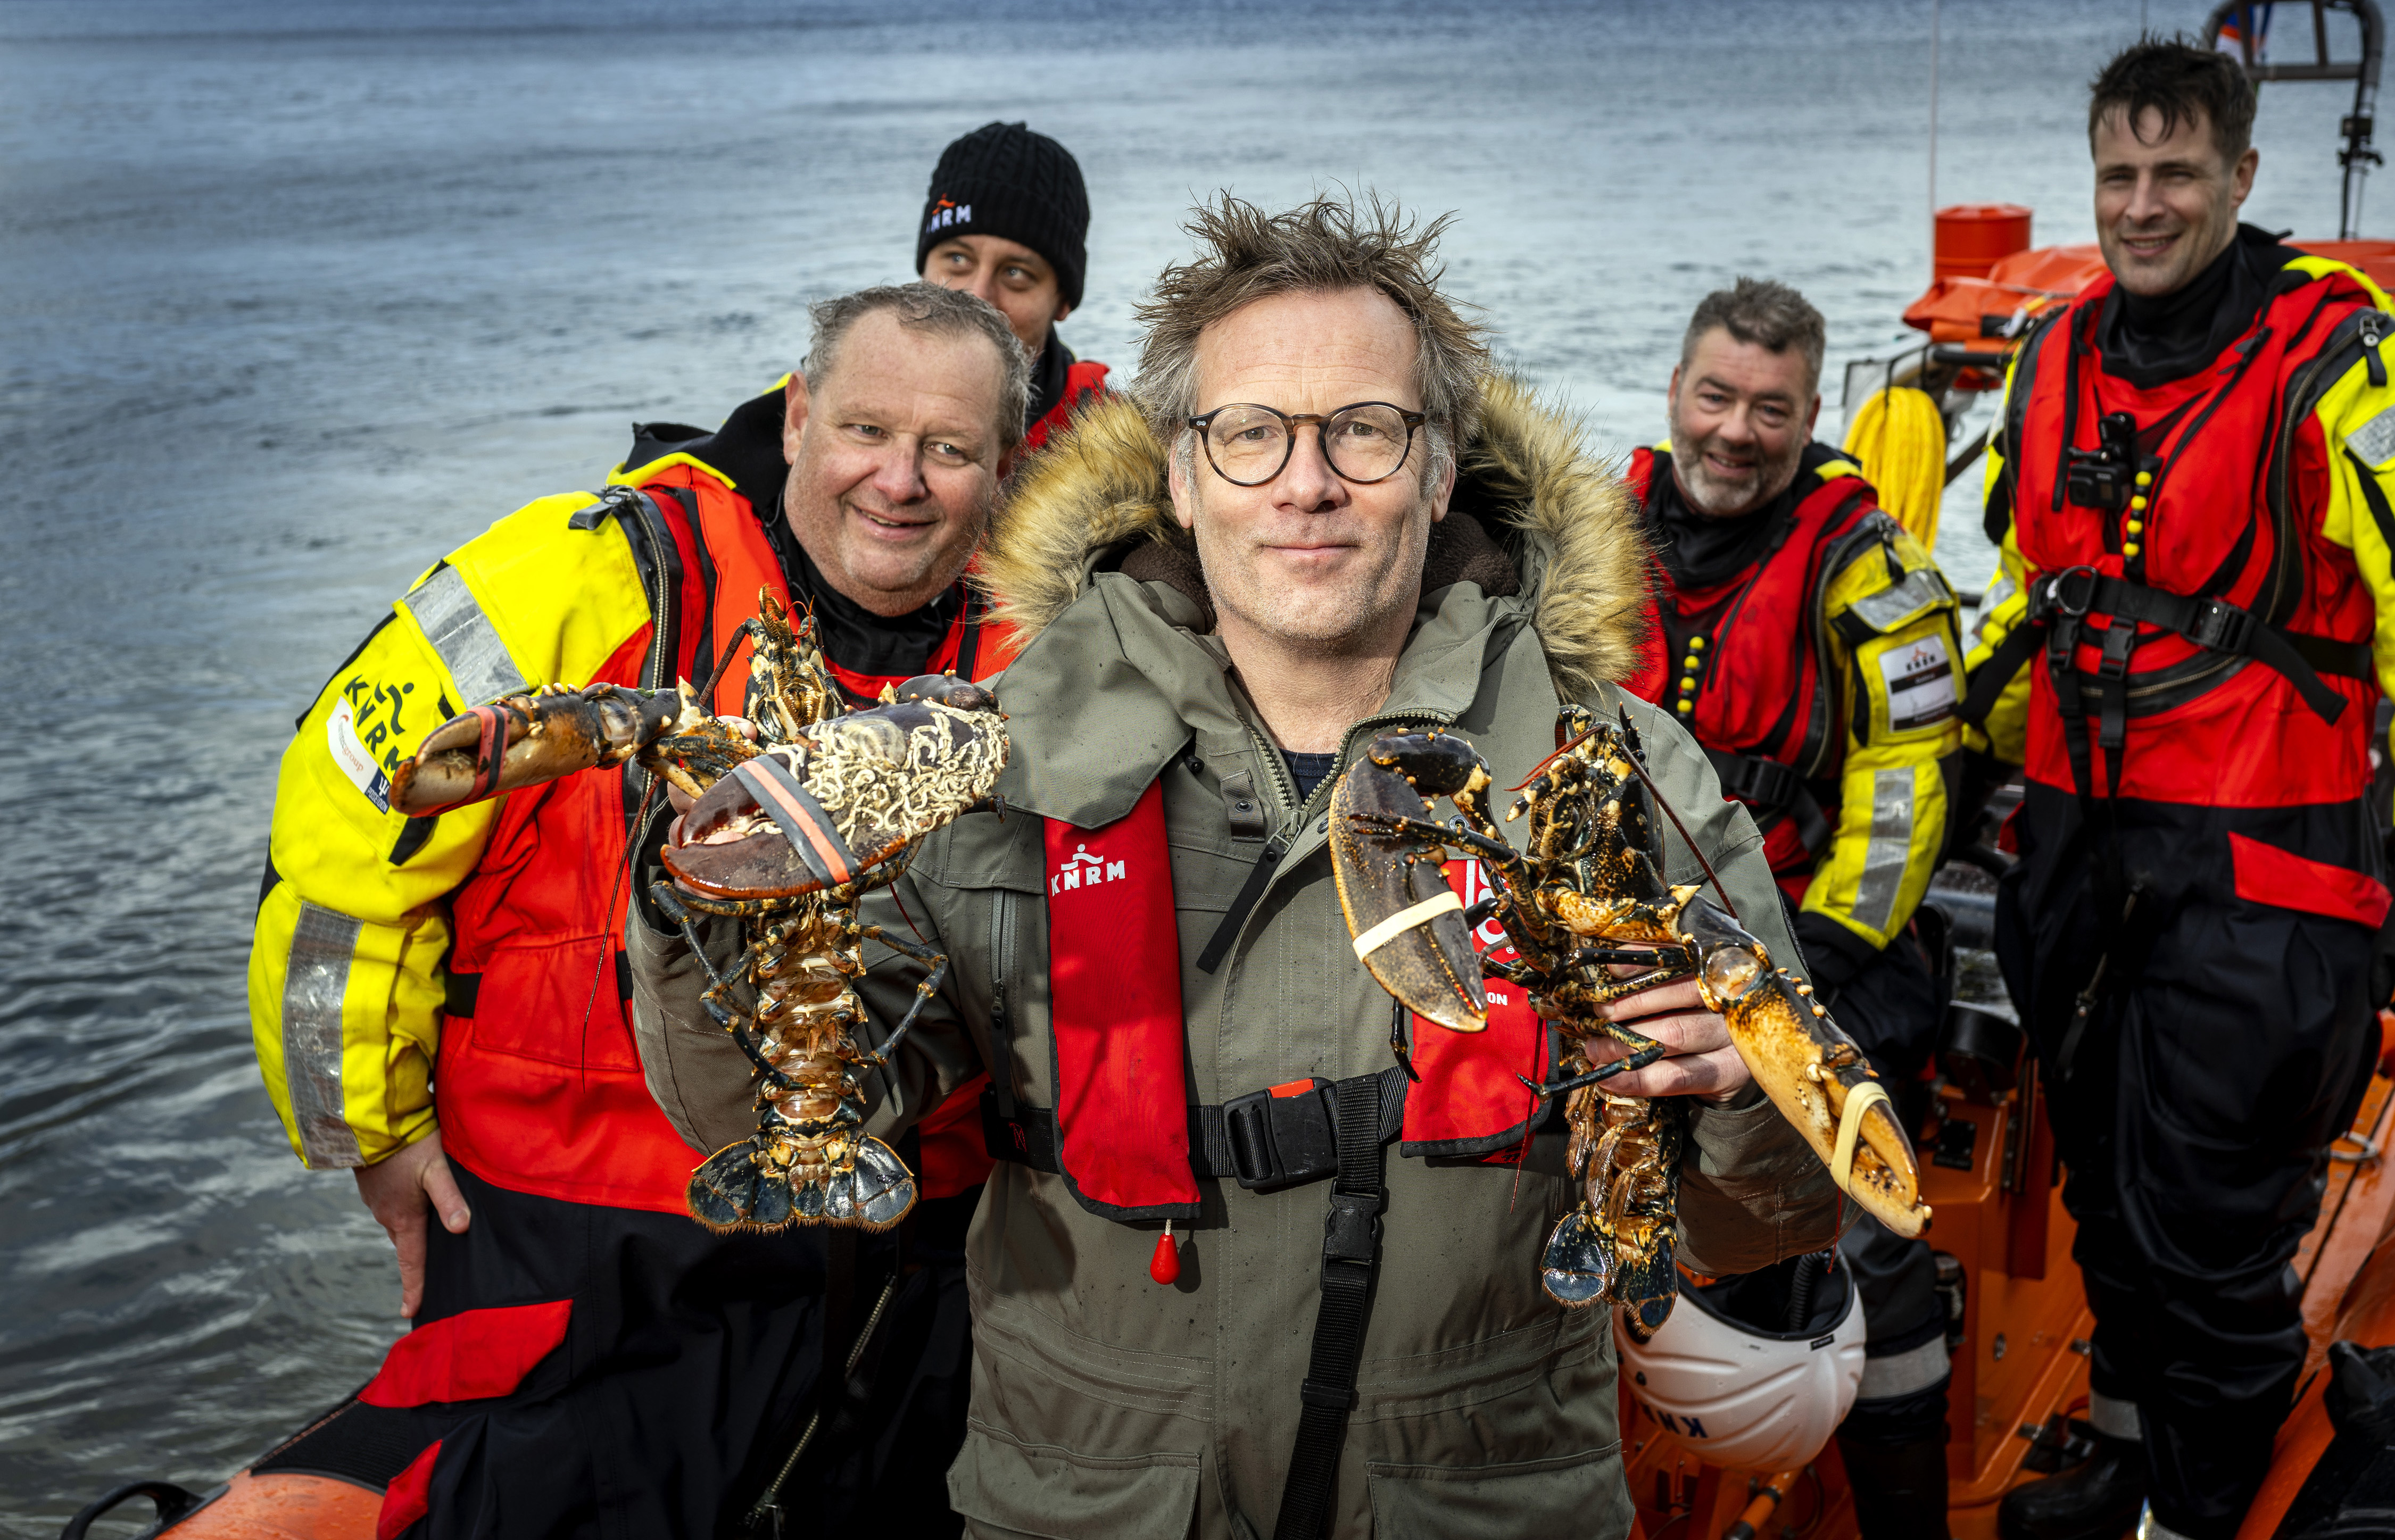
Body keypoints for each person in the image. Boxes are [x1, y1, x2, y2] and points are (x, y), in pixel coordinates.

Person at [631, 192, 1845, 1539]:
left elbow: (1765, 1223)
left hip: (1487, 1488)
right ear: (1182, 474)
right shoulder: (991, 761)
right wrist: (699, 899)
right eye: (1249, 434)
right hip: (1090, 1490)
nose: (1306, 483)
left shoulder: (1617, 768)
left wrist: (1738, 1083)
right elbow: (767, 1119)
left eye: (1365, 433)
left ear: (1441, 469)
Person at [246, 281, 1029, 1538]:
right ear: (794, 419)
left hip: (912, 1247)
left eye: (950, 450)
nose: (900, 480)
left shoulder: (1053, 641)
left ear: (1003, 470)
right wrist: (367, 1133)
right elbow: (342, 828)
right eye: (866, 432)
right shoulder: (575, 575)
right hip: (579, 1244)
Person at [1963, 41, 2395, 1540]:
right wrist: (1980, 738)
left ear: (2242, 179)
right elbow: (2050, 591)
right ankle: (2139, 1462)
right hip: (2084, 853)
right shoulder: (2051, 358)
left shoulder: (2357, 369)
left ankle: (2205, 1511)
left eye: (2175, 175)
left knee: (2214, 1233)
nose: (2142, 206)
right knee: (2108, 1201)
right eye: (2118, 177)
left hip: (2264, 872)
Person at [1621, 277, 1966, 1539]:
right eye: (1715, 395)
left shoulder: (1875, 574)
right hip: (1624, 948)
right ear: (1674, 394)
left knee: (1865, 1226)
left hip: (1821, 952)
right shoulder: (1588, 537)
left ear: (1813, 414)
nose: (1735, 430)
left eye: (1770, 408)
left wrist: (1797, 978)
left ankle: (1906, 1506)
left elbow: (1904, 792)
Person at [916, 120, 1113, 450]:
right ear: (923, 269)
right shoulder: (823, 400)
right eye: (958, 259)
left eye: (1015, 273)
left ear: (1063, 300)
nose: (977, 297)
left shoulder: (1118, 448)